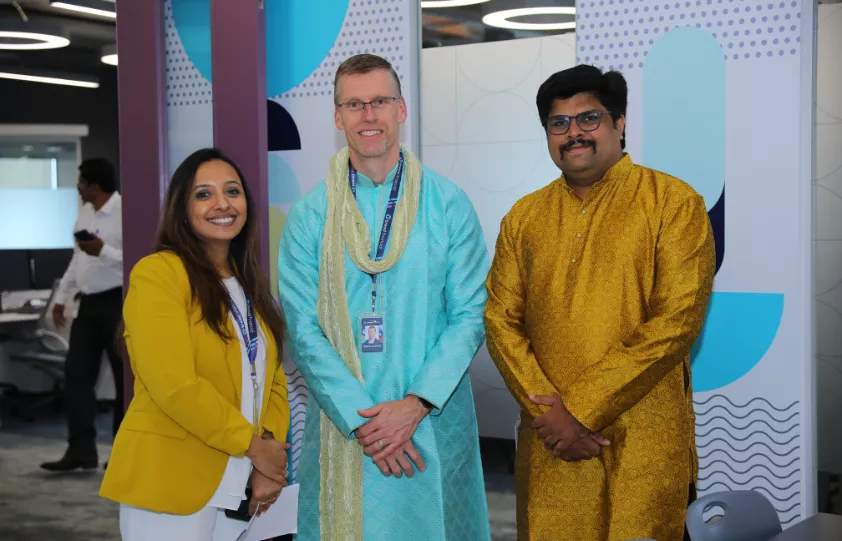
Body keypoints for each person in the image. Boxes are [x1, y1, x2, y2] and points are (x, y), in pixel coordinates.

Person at [484, 65, 715, 541]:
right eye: (559, 123)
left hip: (641, 438)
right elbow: (500, 320)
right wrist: (550, 415)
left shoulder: (673, 202)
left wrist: (580, 412)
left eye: (589, 119)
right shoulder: (523, 217)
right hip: (551, 443)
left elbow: (677, 321)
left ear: (620, 123)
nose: (574, 134)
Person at [278, 54, 491, 541]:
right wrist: (365, 421)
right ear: (337, 117)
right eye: (354, 104)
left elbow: (471, 313)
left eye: (379, 101)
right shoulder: (312, 215)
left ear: (402, 109)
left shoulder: (447, 203)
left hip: (431, 425)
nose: (368, 115)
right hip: (345, 431)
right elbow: (303, 326)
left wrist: (414, 404)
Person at [99, 148, 291, 540]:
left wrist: (265, 459)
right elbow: (175, 386)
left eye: (232, 191)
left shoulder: (248, 282)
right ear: (182, 209)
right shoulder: (159, 274)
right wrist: (253, 447)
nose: (222, 204)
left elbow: (271, 379)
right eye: (204, 194)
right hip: (171, 481)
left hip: (241, 486)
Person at [41, 158, 125, 472]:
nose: (78, 188)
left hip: (119, 304)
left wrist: (102, 250)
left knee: (124, 382)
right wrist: (62, 298)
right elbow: (77, 261)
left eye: (81, 182)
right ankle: (80, 451)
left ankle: (122, 454)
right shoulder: (85, 214)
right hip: (88, 306)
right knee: (76, 376)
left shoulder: (124, 211)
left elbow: (137, 259)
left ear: (94, 184)